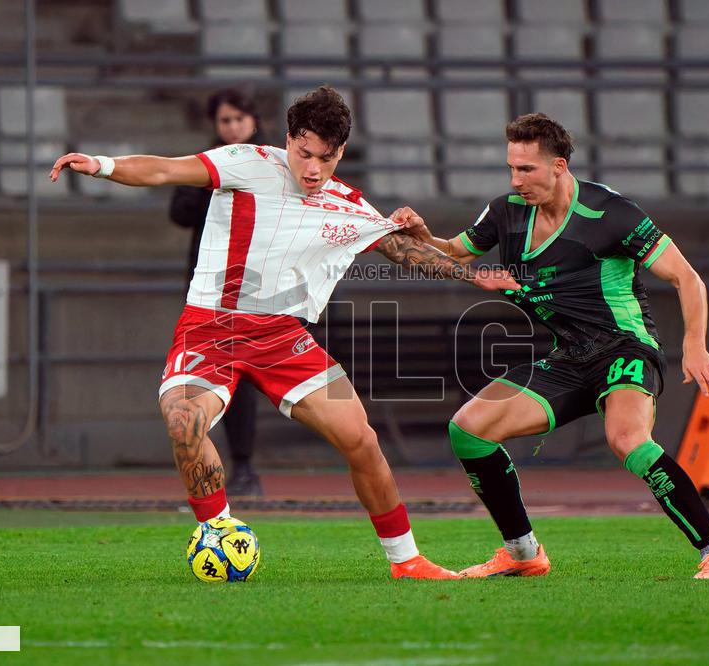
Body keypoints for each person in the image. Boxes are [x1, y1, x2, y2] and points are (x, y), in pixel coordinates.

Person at [49, 86, 519, 580]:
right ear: (289, 140)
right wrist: (102, 165)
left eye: (327, 157)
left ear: (340, 153)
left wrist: (472, 275)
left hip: (282, 338)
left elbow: (403, 250)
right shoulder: (247, 163)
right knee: (184, 419)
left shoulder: (347, 203)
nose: (314, 168)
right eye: (304, 153)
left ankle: (407, 561)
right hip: (211, 328)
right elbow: (166, 168)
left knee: (360, 439)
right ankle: (220, 532)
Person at [395, 113, 709, 580]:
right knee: (469, 429)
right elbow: (454, 251)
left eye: (527, 170)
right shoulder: (506, 212)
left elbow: (686, 277)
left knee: (627, 441)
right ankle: (523, 553)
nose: (515, 180)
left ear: (559, 166)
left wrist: (695, 346)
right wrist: (421, 233)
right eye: (511, 168)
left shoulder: (611, 213)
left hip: (625, 349)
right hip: (568, 358)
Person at [169, 89, 264, 497]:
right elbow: (178, 213)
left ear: (254, 121)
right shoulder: (204, 164)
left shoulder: (271, 162)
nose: (232, 128)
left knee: (251, 380)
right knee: (212, 378)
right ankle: (219, 467)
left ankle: (243, 466)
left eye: (239, 119)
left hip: (260, 287)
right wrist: (214, 184)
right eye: (225, 121)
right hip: (210, 289)